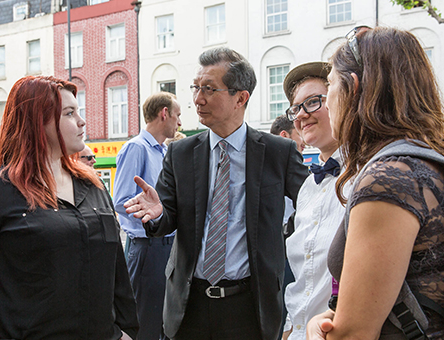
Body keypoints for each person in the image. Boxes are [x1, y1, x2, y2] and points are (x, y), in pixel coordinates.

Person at [124, 47, 308, 340]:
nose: (198, 99)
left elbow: (313, 207)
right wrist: (158, 214)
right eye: (196, 88)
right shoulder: (181, 152)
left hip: (250, 307)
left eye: (209, 89)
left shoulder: (278, 153)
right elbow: (166, 217)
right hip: (188, 305)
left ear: (241, 97)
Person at [306, 26, 444, 340]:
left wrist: (320, 331)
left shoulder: (388, 179)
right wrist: (330, 316)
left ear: (352, 88)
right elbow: (410, 289)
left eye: (329, 88)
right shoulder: (430, 162)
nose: (327, 104)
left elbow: (354, 334)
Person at [0, 76, 138, 340]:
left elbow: (116, 272)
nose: (81, 121)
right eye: (69, 113)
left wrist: (126, 331)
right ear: (36, 122)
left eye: (79, 111)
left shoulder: (93, 186)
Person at [279, 62, 349, 340]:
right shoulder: (308, 187)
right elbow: (303, 280)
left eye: (312, 102)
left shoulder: (367, 178)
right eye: (296, 108)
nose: (301, 116)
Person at [113, 91, 182, 340]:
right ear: (164, 114)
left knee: (164, 323)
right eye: (177, 115)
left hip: (165, 247)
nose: (180, 122)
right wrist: (153, 219)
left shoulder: (162, 152)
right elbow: (121, 201)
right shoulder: (136, 148)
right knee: (145, 324)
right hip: (147, 248)